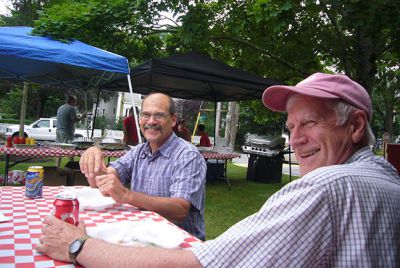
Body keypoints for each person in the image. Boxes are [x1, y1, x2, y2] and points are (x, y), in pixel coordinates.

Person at [36, 73, 400, 267]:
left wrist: (79, 245)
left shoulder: (327, 187)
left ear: (354, 126)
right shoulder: (385, 178)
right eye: (291, 128)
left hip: (179, 242)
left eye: (310, 123)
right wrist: (97, 153)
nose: (296, 140)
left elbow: (198, 249)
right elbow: (112, 170)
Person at [80, 93, 205, 240]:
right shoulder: (139, 151)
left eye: (159, 115)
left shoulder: (188, 155)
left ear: (173, 120)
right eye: (146, 115)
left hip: (181, 243)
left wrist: (127, 196)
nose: (151, 121)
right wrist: (94, 154)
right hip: (142, 235)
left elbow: (180, 209)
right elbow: (101, 181)